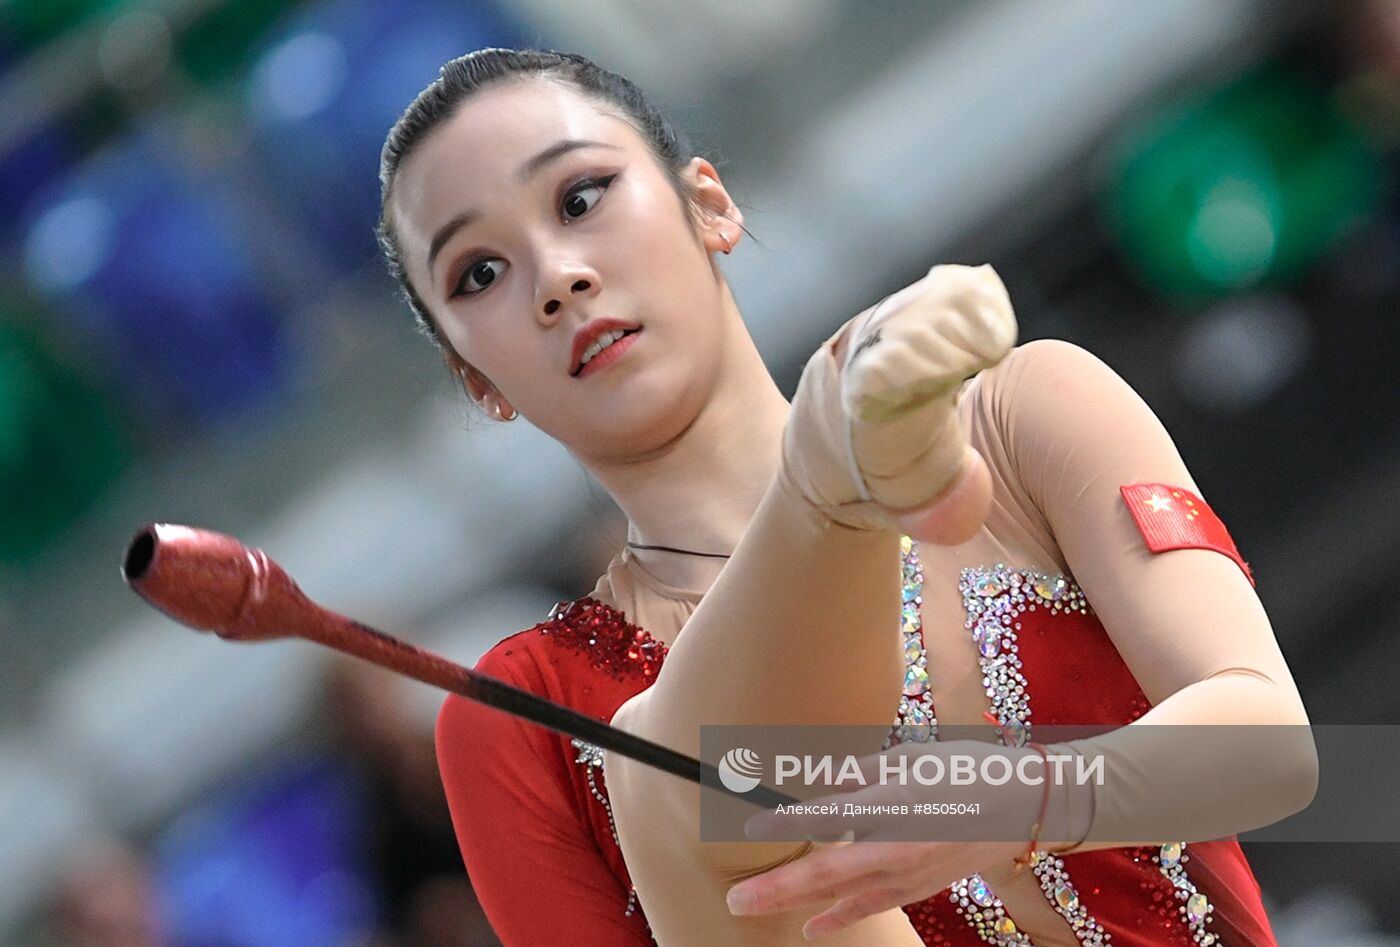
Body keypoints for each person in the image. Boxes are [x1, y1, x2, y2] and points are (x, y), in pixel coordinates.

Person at [376, 48, 1316, 946]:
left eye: (581, 197)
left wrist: (1023, 802)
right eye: (481, 273)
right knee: (661, 763)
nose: (556, 278)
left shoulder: (1028, 417)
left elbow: (1269, 745)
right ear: (478, 381)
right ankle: (833, 476)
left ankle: (838, 470)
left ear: (709, 204)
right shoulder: (525, 715)